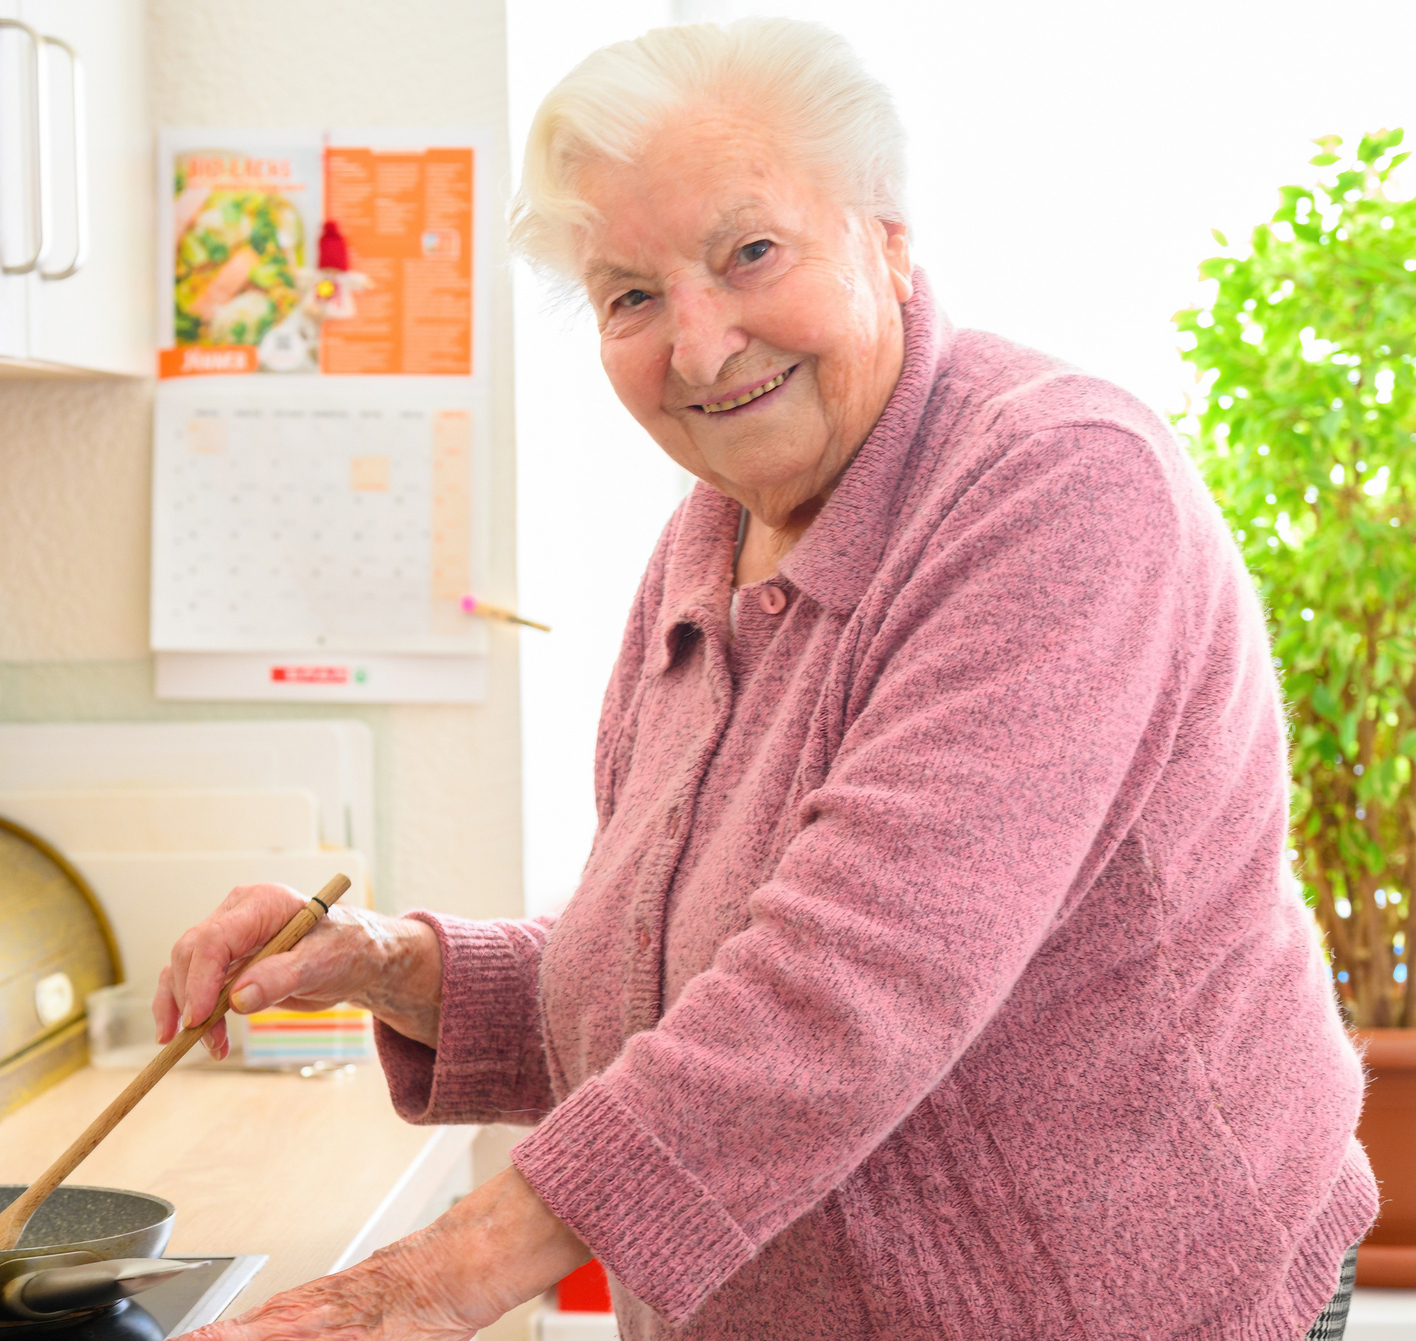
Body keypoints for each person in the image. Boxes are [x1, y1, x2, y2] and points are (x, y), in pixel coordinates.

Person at [162, 18, 1375, 1339]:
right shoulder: (707, 541)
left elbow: (846, 986)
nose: (696, 347)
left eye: (749, 253)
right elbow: (667, 966)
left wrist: (420, 1285)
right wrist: (382, 960)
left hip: (1120, 1308)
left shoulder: (1063, 486)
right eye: (629, 294)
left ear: (890, 236)